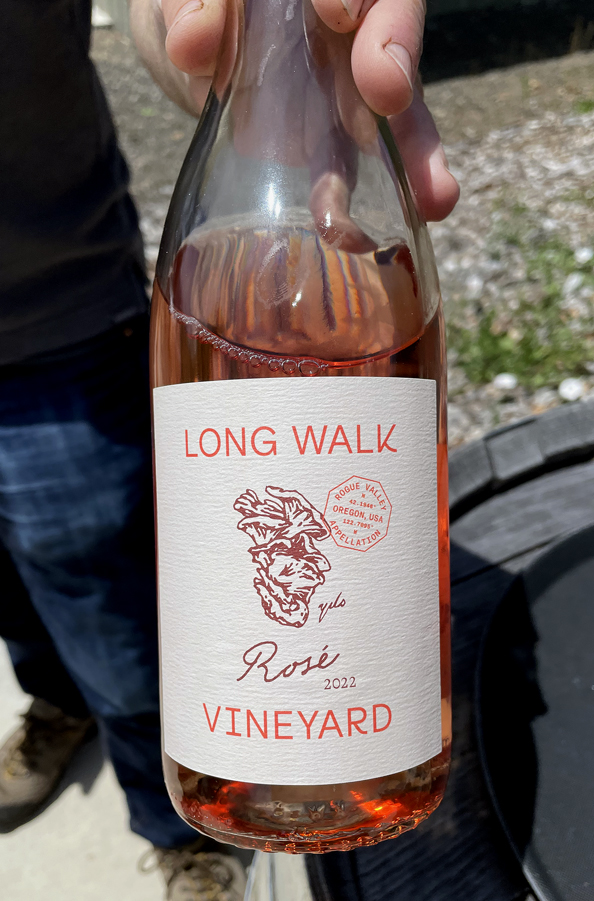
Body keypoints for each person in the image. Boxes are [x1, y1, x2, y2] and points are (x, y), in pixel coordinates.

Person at [0, 1, 457, 899]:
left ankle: (177, 833)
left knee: (99, 593)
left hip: (56, 315)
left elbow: (155, 14)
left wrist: (197, 30)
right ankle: (55, 706)